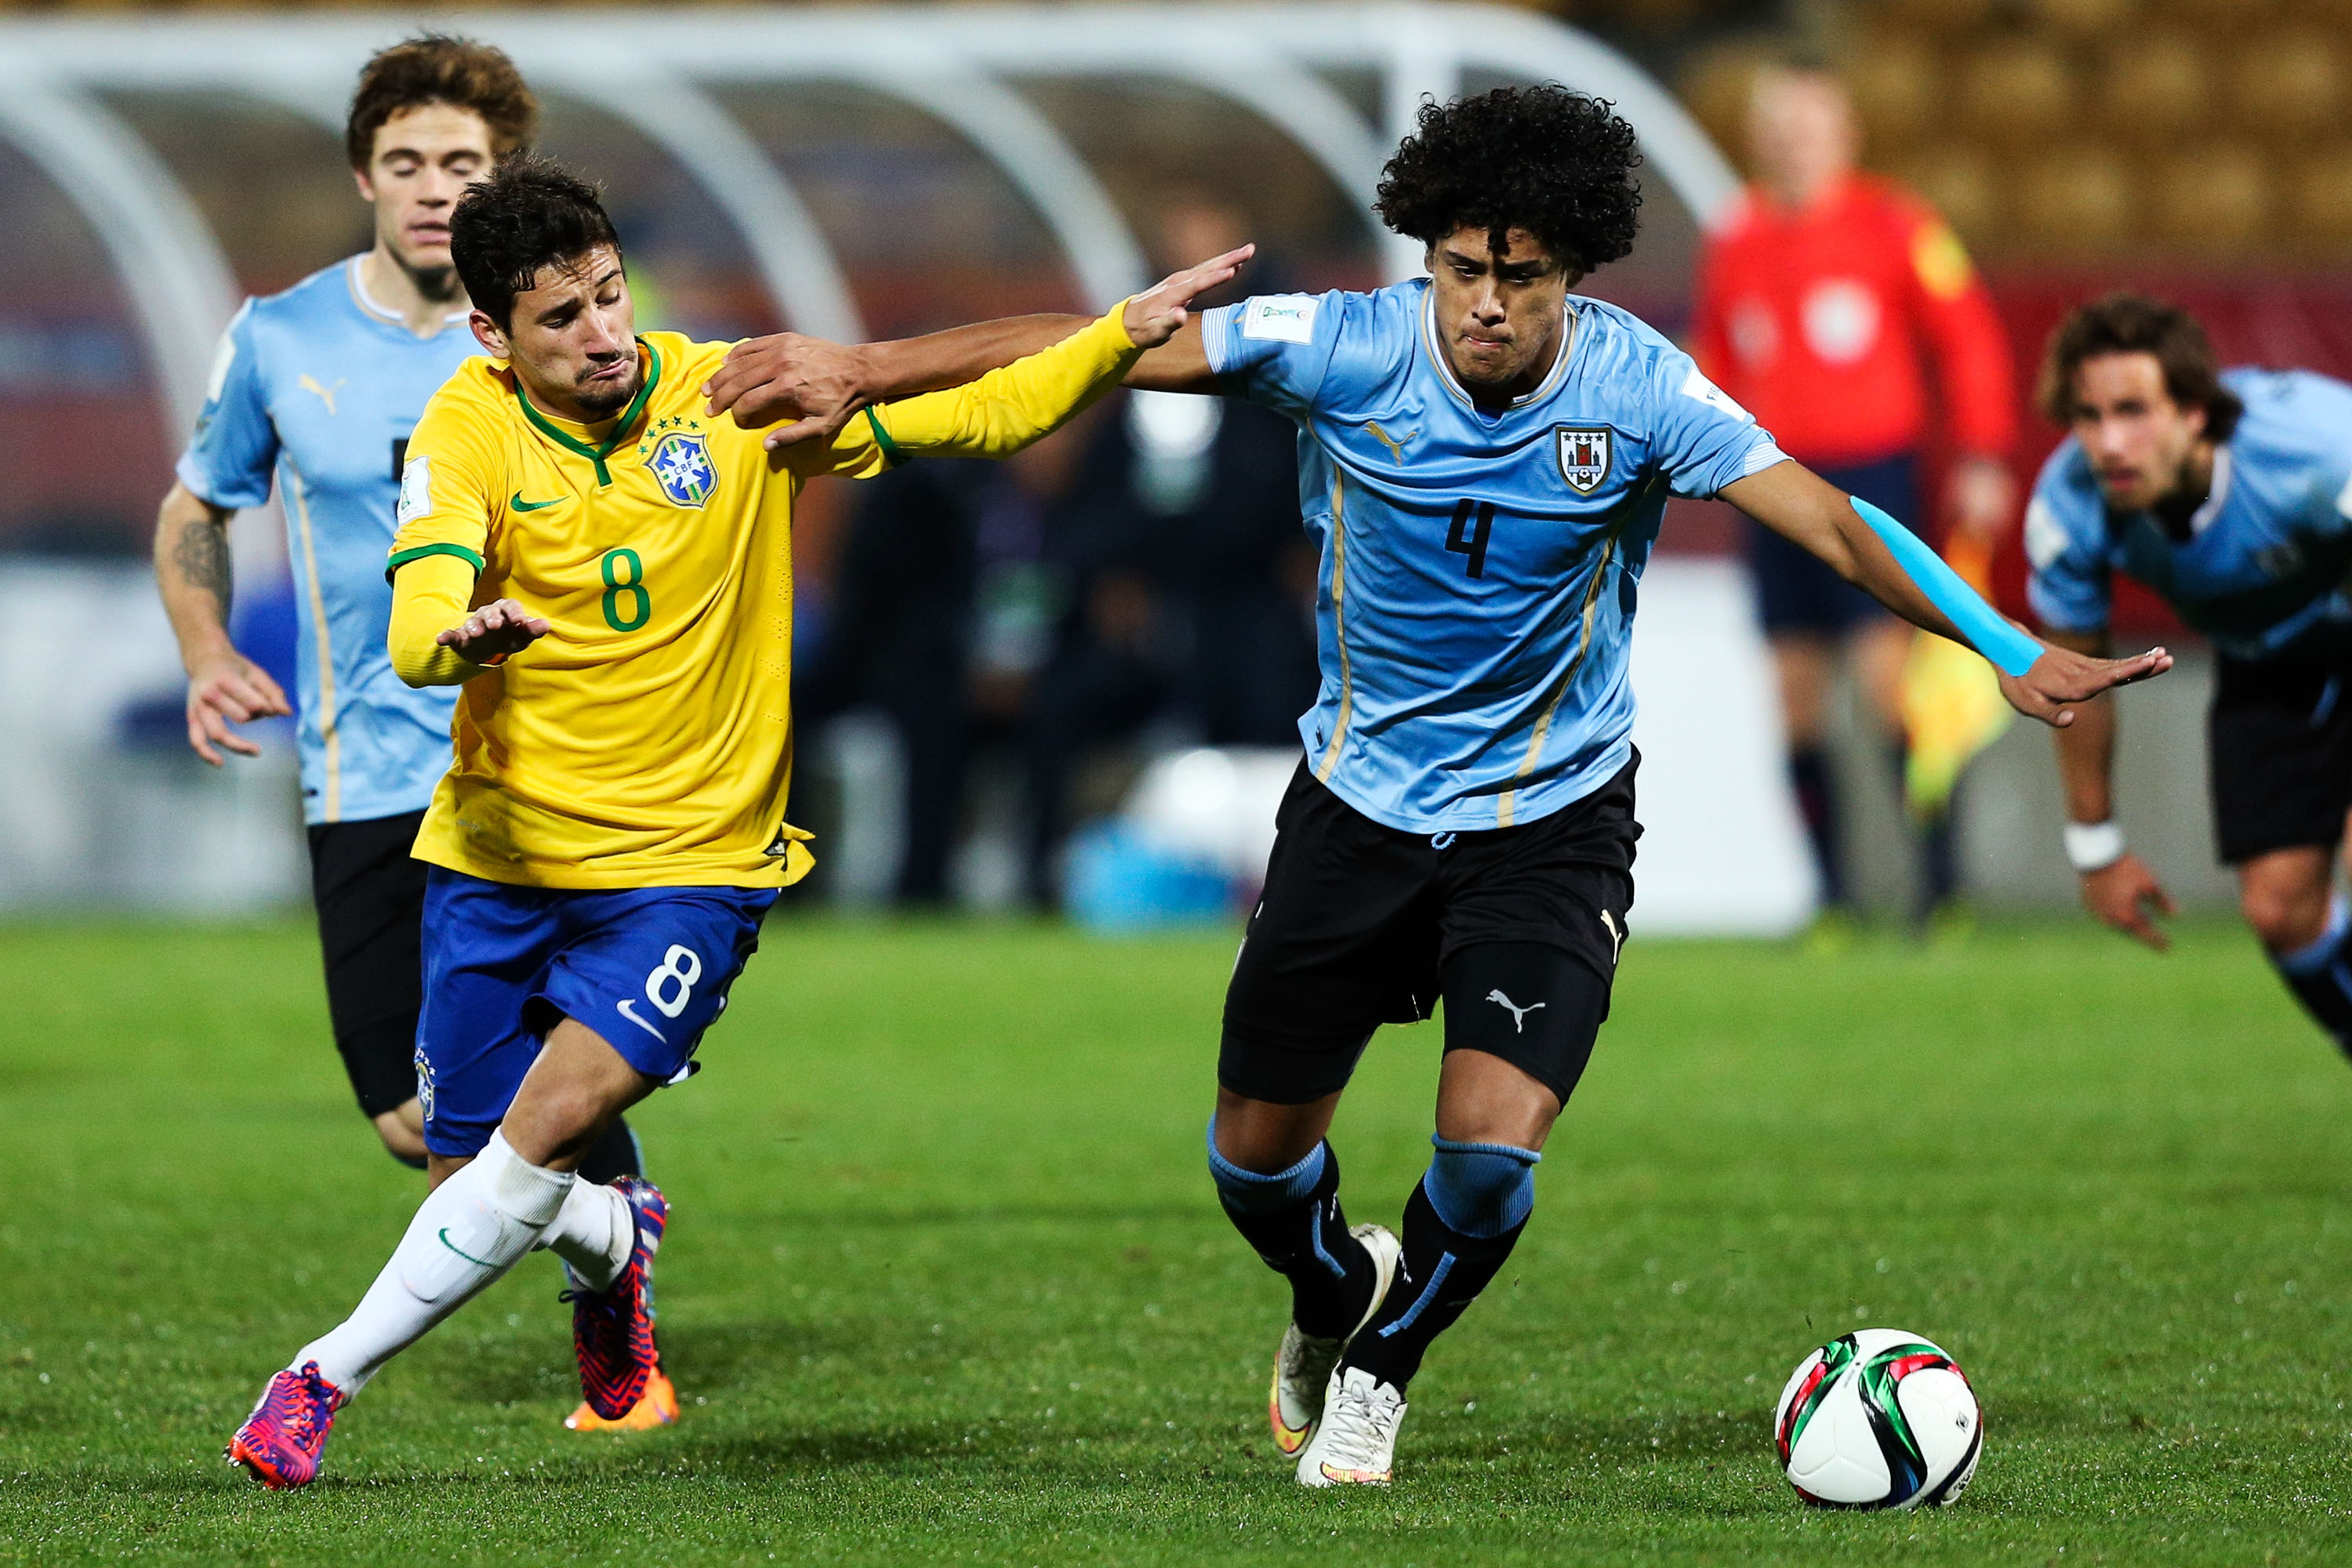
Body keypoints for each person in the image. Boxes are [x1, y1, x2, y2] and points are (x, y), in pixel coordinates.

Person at [702, 85, 2167, 1486]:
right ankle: (1335, 1287)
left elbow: (1837, 525)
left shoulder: (1640, 385)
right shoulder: (1342, 344)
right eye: (1463, 268)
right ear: (1426, 259)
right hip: (1357, 805)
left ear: (1573, 274)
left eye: (1521, 277)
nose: (1486, 302)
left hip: (1551, 817)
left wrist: (2002, 644)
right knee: (1252, 1166)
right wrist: (866, 367)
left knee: (1486, 1158)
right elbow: (1090, 350)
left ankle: (1382, 1372)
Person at [221, 154, 1245, 1489]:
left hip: (691, 867)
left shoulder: (731, 397)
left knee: (541, 1132)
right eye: (561, 317)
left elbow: (980, 421)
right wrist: (454, 636)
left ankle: (316, 1381)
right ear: (490, 334)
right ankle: (614, 1245)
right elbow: (416, 615)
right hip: (501, 857)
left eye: (609, 295)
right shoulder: (465, 430)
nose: (602, 333)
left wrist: (1116, 337)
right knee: (476, 1186)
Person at [150, 34, 670, 1432]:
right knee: (417, 1123)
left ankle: (619, 1335)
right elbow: (199, 503)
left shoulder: (565, 332)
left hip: (549, 766)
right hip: (368, 772)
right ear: (363, 177)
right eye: (407, 162)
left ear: (504, 179)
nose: (435, 188)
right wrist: (206, 650)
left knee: (550, 1081)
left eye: (462, 164)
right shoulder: (280, 338)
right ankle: (614, 1235)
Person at [1691, 62, 2019, 932]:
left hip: (1872, 480)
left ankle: (1939, 888)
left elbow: (1968, 340)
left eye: (1810, 125)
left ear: (1846, 134)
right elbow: (1716, 358)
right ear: (1757, 139)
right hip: (1767, 481)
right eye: (1780, 127)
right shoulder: (1735, 236)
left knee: (1886, 685)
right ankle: (1832, 898)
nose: (1794, 142)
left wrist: (1983, 453)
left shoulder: (1896, 225)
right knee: (1794, 693)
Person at [2026, 294, 2352, 1054]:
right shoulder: (2069, 508)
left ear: (2196, 412)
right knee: (2279, 912)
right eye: (2089, 416)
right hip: (2269, 665)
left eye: (2133, 411)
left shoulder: (2319, 449)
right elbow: (2077, 676)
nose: (2109, 443)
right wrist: (2096, 847)